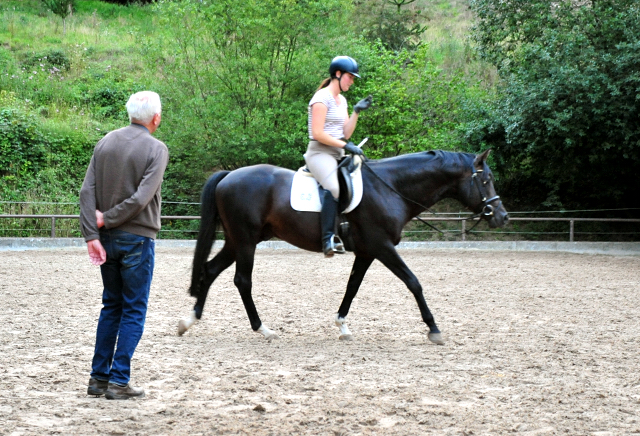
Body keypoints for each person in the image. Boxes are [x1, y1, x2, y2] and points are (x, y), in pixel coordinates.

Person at [79, 91, 169, 400]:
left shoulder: (105, 142)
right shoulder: (157, 149)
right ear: (155, 118)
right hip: (138, 239)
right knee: (133, 310)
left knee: (111, 306)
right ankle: (119, 381)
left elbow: (86, 191)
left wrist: (92, 233)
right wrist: (106, 220)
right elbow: (142, 198)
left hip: (107, 241)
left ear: (130, 114)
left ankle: (98, 379)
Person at [304, 55, 372, 257]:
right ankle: (328, 239)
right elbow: (318, 133)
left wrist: (356, 112)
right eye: (350, 77)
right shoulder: (321, 98)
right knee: (333, 187)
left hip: (337, 153)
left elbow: (346, 133)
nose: (352, 81)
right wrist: (346, 146)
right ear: (338, 74)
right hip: (319, 153)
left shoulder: (342, 100)